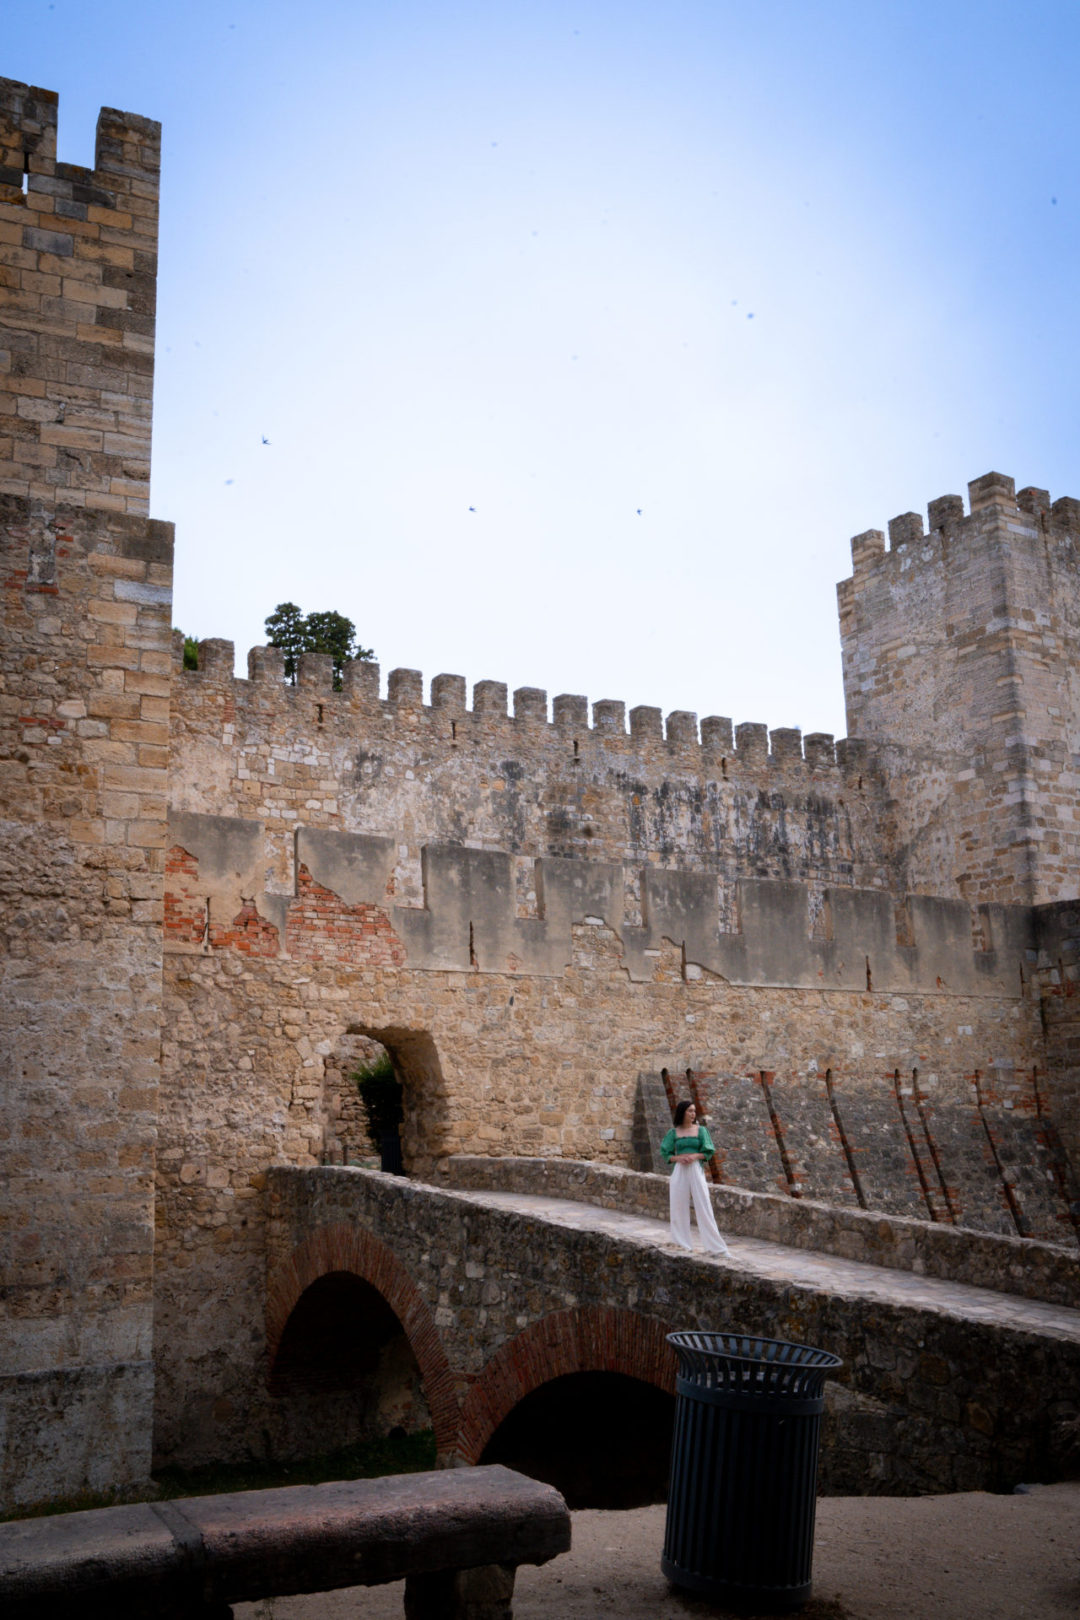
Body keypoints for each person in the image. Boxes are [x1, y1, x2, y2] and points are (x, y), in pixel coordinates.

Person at [660, 1100, 730, 1255]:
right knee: (678, 1205)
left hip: (695, 1168)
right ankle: (681, 1243)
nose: (693, 1114)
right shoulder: (674, 1132)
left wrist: (693, 1157)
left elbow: (708, 1151)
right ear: (682, 1112)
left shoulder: (701, 1130)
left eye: (694, 1111)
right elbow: (666, 1152)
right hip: (679, 1170)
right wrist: (679, 1158)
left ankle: (715, 1247)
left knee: (703, 1204)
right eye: (690, 1111)